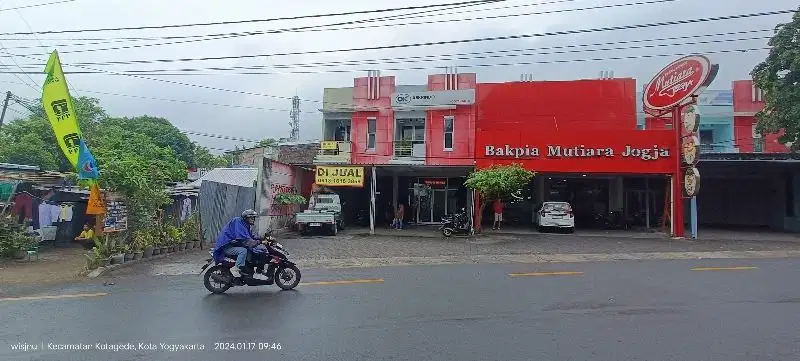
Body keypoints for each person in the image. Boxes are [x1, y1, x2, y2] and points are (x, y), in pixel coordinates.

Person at [212, 209, 261, 279]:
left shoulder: (245, 225)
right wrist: (259, 242)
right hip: (226, 246)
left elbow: (250, 236)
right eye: (251, 218)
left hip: (231, 244)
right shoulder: (238, 222)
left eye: (254, 218)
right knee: (243, 250)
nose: (253, 219)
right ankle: (236, 268)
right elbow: (246, 241)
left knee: (250, 250)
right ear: (246, 218)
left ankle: (247, 269)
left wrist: (260, 238)